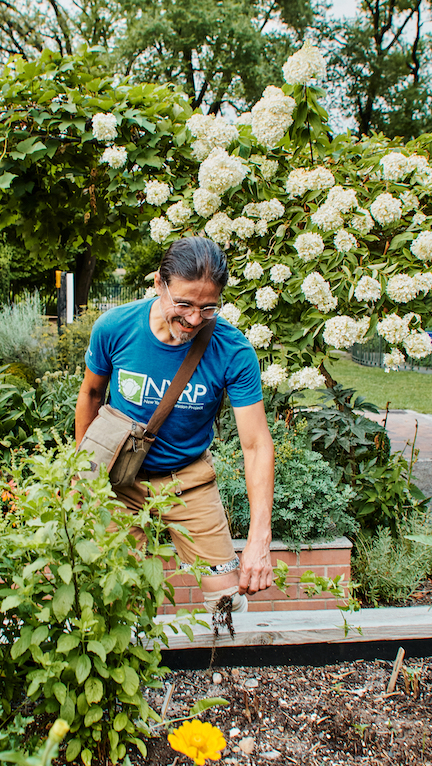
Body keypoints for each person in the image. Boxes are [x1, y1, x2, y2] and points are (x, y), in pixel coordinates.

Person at [74, 237, 274, 612]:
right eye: (183, 304)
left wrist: (259, 539)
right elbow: (90, 396)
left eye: (208, 308)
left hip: (189, 483)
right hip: (120, 480)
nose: (194, 319)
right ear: (157, 285)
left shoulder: (233, 350)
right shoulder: (115, 328)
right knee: (113, 594)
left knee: (227, 603)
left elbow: (256, 444)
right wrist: (81, 475)